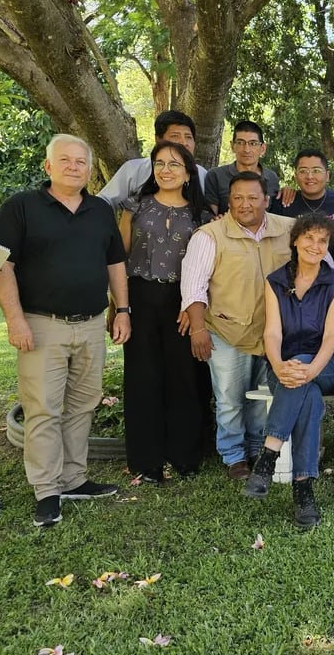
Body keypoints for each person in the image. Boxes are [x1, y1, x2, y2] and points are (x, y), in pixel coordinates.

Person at [0, 134, 128, 528]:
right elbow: (4, 267)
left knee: (83, 404)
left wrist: (124, 311)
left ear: (89, 169)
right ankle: (47, 490)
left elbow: (115, 263)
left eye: (81, 162)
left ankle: (73, 478)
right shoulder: (21, 207)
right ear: (48, 166)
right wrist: (15, 320)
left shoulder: (100, 210)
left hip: (89, 325)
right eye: (65, 160)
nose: (74, 167)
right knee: (44, 409)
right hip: (41, 324)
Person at [181, 172, 295, 480]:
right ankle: (234, 456)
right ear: (229, 201)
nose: (245, 204)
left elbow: (320, 263)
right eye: (238, 198)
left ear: (267, 200)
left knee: (261, 395)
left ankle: (258, 448)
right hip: (226, 331)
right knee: (230, 397)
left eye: (253, 197)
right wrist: (198, 329)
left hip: (273, 332)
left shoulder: (288, 229)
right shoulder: (209, 236)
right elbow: (193, 287)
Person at [244, 213, 334, 528]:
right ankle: (304, 489)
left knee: (303, 380)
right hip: (285, 364)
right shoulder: (275, 281)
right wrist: (277, 365)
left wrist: (309, 369)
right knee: (310, 398)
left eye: (322, 240)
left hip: (329, 363)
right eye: (309, 238)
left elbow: (332, 337)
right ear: (295, 241)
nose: (315, 246)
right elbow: (273, 334)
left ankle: (268, 456)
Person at [118, 141, 211, 483]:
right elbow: (119, 256)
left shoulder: (202, 215)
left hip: (183, 301)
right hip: (140, 297)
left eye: (174, 164)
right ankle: (146, 460)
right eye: (159, 163)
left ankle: (185, 455)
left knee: (184, 378)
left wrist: (194, 305)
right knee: (143, 378)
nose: (166, 170)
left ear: (188, 173)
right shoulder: (136, 205)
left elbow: (207, 266)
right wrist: (120, 306)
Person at [98, 110, 207, 208]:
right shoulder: (134, 169)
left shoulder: (203, 175)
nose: (184, 143)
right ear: (158, 140)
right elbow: (104, 201)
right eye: (175, 136)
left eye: (188, 137)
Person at [268, 148, 334, 273]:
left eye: (316, 171)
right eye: (303, 171)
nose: (310, 176)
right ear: (296, 175)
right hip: (291, 278)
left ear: (327, 176)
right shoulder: (283, 203)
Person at [203, 120, 281, 215]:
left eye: (253, 143)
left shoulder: (272, 178)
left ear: (263, 148)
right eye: (240, 143)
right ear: (232, 146)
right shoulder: (216, 176)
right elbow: (211, 217)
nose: (246, 150)